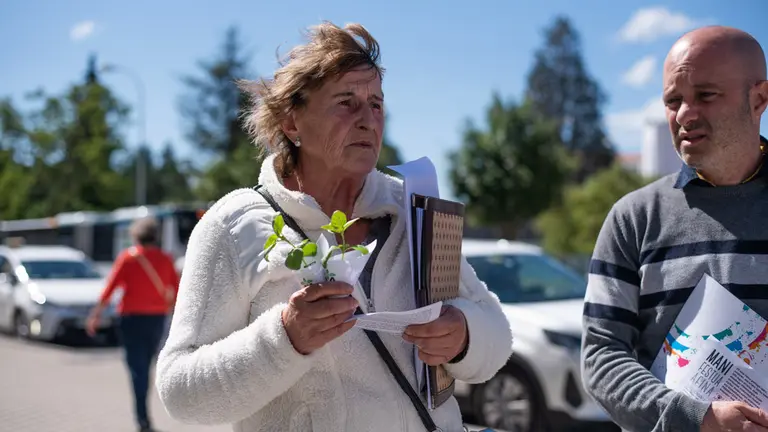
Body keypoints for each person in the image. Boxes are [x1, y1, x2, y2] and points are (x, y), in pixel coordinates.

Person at [154, 21, 513, 432]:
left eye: (376, 104)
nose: (368, 121)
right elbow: (180, 394)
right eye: (346, 102)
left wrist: (464, 335)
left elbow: (497, 335)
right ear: (292, 123)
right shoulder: (234, 226)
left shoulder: (414, 209)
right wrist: (286, 338)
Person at [581, 25, 768, 432]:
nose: (684, 114)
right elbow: (601, 357)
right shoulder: (633, 219)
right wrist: (698, 420)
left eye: (706, 95)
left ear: (759, 99)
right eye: (673, 100)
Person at [88, 217, 179, 432]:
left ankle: (142, 418)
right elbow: (176, 290)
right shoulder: (166, 259)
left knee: (136, 369)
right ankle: (144, 415)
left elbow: (109, 289)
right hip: (156, 319)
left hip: (131, 320)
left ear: (135, 236)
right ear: (155, 236)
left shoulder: (127, 258)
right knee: (146, 365)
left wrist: (96, 315)